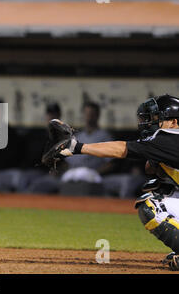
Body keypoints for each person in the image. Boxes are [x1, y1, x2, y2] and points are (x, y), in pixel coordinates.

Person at [44, 94, 179, 271]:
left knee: (150, 206)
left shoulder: (169, 136)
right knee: (160, 187)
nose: (152, 122)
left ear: (174, 122)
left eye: (157, 118)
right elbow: (150, 167)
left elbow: (122, 149)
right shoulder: (171, 140)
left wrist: (76, 147)